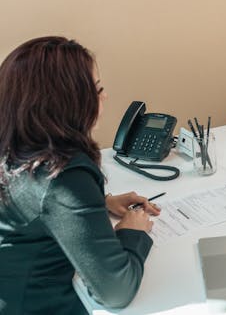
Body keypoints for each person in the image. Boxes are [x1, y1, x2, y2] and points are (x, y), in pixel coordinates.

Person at [0, 36, 162, 314]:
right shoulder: (61, 175)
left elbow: (37, 207)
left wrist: (100, 202)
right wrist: (131, 233)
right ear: (68, 102)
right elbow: (115, 292)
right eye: (97, 90)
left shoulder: (18, 145)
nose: (105, 97)